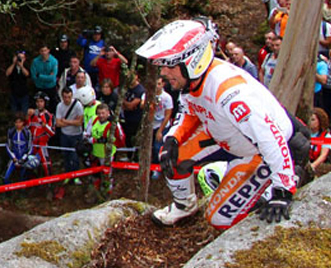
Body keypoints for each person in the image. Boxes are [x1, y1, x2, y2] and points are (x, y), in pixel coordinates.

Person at [135, 18, 310, 228]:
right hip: (229, 135)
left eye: (170, 65)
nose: (164, 72)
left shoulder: (230, 93)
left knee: (219, 218)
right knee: (171, 154)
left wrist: (283, 191)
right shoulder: (194, 80)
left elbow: (270, 139)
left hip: (263, 151)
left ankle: (280, 180)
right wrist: (174, 137)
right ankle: (184, 205)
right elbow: (190, 111)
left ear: (192, 61)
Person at [54, 87, 84, 200]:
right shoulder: (59, 106)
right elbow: (58, 123)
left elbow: (79, 122)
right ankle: (67, 174)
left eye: (69, 97)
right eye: (65, 97)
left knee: (75, 156)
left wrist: (65, 121)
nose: (67, 99)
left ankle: (76, 176)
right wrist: (72, 122)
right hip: (65, 135)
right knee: (66, 155)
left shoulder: (78, 105)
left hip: (76, 135)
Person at [87, 104, 118, 195]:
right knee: (95, 171)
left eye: (103, 113)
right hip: (95, 152)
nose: (101, 115)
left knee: (107, 172)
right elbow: (86, 133)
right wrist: (93, 140)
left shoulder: (112, 124)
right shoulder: (94, 120)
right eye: (99, 113)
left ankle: (108, 189)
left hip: (107, 154)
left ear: (108, 113)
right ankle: (96, 188)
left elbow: (117, 137)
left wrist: (105, 140)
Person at [150, 76, 174, 171]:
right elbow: (142, 105)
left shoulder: (167, 97)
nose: (157, 86)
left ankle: (157, 168)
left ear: (163, 84)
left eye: (159, 84)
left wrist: (160, 131)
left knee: (157, 147)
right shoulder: (149, 94)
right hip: (151, 125)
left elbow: (168, 115)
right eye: (155, 84)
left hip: (162, 125)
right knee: (149, 147)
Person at [28, 92, 55, 176]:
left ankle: (49, 180)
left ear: (45, 103)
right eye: (37, 101)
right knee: (29, 163)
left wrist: (44, 125)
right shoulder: (32, 114)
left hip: (42, 143)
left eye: (41, 101)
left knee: (46, 163)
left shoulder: (49, 115)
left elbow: (52, 132)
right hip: (32, 143)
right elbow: (26, 127)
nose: (39, 104)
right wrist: (27, 116)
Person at [4, 115, 34, 183]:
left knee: (23, 178)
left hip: (24, 158)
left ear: (23, 122)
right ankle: (8, 188)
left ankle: (23, 189)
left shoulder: (27, 132)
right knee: (6, 177)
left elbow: (30, 147)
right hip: (14, 158)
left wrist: (23, 158)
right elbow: (8, 146)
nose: (18, 124)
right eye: (16, 122)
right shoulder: (11, 132)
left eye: (20, 122)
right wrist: (13, 157)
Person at [121, 73, 146, 148]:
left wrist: (124, 102)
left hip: (136, 119)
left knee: (134, 139)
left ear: (136, 76)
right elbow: (121, 104)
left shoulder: (140, 90)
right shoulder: (126, 88)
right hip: (126, 117)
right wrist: (124, 103)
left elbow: (131, 106)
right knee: (127, 138)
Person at [307, 108, 330, 173]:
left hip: (319, 167)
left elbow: (323, 155)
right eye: (309, 119)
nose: (310, 122)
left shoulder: (327, 136)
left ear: (320, 121)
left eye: (313, 120)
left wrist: (312, 166)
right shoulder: (306, 134)